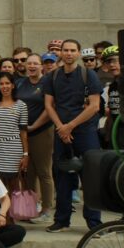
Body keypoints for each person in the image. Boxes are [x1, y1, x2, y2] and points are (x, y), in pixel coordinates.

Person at [43, 39, 102, 233]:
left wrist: (70, 126)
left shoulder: (89, 75)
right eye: (65, 50)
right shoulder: (52, 77)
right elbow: (49, 105)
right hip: (61, 133)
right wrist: (61, 128)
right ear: (60, 53)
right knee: (62, 177)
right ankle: (61, 219)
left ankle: (94, 223)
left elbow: (94, 106)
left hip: (86, 133)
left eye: (72, 50)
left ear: (78, 54)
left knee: (91, 177)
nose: (68, 53)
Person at [15, 53, 54, 223]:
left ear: (41, 66)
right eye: (28, 63)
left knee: (44, 171)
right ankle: (31, 208)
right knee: (28, 172)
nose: (31, 66)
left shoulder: (48, 83)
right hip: (23, 133)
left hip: (41, 131)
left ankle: (46, 209)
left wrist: (34, 126)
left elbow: (49, 108)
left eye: (35, 64)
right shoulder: (20, 83)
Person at [0, 73, 29, 192]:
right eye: (1, 84)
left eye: (7, 83)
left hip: (13, 150)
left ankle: (13, 211)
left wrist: (25, 154)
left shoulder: (21, 105)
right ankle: (2, 210)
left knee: (14, 184)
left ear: (13, 85)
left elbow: (23, 131)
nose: (5, 86)